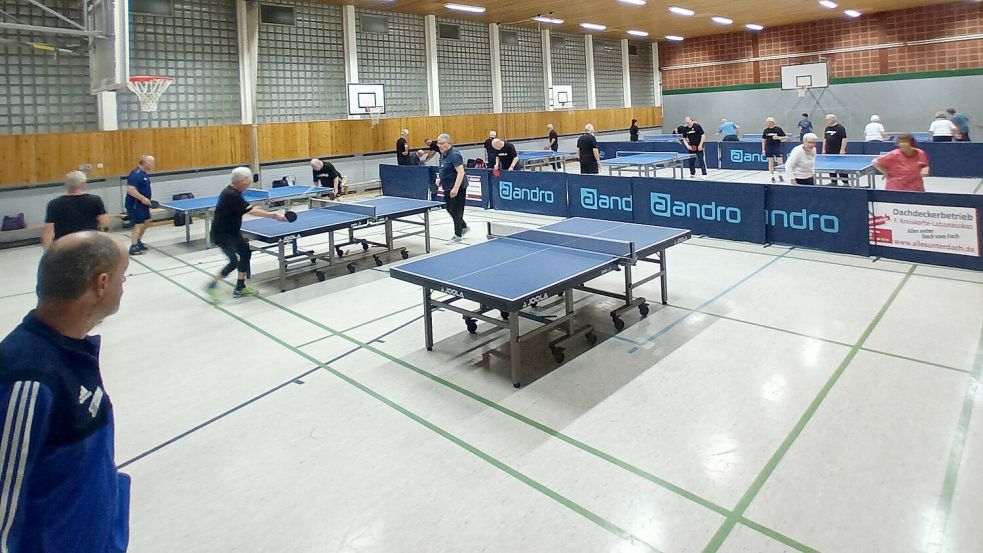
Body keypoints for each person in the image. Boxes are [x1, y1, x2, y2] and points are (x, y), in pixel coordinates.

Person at [0, 231, 131, 553]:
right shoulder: (27, 379)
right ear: (101, 283)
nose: (123, 287)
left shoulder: (74, 351)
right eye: (122, 278)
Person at [206, 167, 287, 301]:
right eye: (249, 182)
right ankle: (212, 284)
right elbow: (251, 211)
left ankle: (240, 287)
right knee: (234, 262)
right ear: (242, 182)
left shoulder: (233, 191)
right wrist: (273, 215)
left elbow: (245, 208)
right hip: (222, 234)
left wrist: (254, 205)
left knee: (245, 253)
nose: (250, 185)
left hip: (232, 231)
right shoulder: (231, 195)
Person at [42, 170, 110, 248]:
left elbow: (48, 229)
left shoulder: (54, 203)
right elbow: (105, 222)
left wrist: (47, 249)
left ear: (67, 185)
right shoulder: (95, 200)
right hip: (90, 241)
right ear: (83, 184)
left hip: (64, 243)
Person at [436, 134, 467, 241]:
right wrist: (440, 178)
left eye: (441, 143)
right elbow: (444, 168)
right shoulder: (443, 154)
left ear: (449, 143)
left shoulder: (454, 155)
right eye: (438, 143)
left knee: (456, 210)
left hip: (457, 187)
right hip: (447, 186)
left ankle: (458, 235)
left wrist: (456, 188)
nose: (439, 145)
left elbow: (461, 172)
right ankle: (462, 225)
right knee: (449, 208)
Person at [125, 154, 155, 256]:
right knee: (138, 224)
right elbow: (130, 189)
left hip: (143, 204)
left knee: (147, 221)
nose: (153, 164)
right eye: (152, 162)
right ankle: (133, 247)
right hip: (135, 204)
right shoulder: (135, 174)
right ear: (145, 163)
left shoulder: (144, 173)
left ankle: (138, 241)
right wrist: (143, 199)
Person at [822, 114, 848, 185]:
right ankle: (833, 181)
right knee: (831, 167)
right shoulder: (827, 128)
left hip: (838, 151)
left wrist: (842, 150)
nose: (826, 121)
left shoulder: (840, 128)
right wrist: (823, 149)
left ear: (833, 119)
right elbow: (825, 139)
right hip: (829, 151)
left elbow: (844, 139)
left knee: (841, 167)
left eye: (828, 119)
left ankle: (845, 182)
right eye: (826, 119)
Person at [762, 117, 787, 183]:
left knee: (780, 162)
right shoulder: (765, 130)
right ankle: (772, 176)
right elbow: (764, 140)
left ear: (771, 122)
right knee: (771, 163)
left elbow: (785, 137)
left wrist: (778, 137)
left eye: (768, 122)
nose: (766, 123)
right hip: (769, 148)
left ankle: (780, 175)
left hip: (777, 147)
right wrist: (763, 149)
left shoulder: (778, 129)